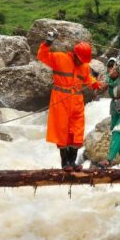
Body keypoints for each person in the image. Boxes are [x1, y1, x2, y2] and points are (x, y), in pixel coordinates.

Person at [37, 31, 103, 171]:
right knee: (62, 133)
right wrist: (48, 42)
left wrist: (95, 83)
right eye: (80, 60)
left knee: (77, 132)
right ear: (74, 54)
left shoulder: (84, 66)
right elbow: (42, 56)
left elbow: (87, 78)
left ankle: (73, 162)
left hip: (77, 101)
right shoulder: (59, 58)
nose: (81, 63)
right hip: (60, 100)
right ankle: (65, 163)